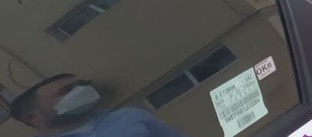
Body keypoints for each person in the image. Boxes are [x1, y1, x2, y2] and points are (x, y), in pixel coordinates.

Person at [10, 73, 188, 137]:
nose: (80, 91)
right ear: (32, 116)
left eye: (81, 84)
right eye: (66, 91)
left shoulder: (130, 117)